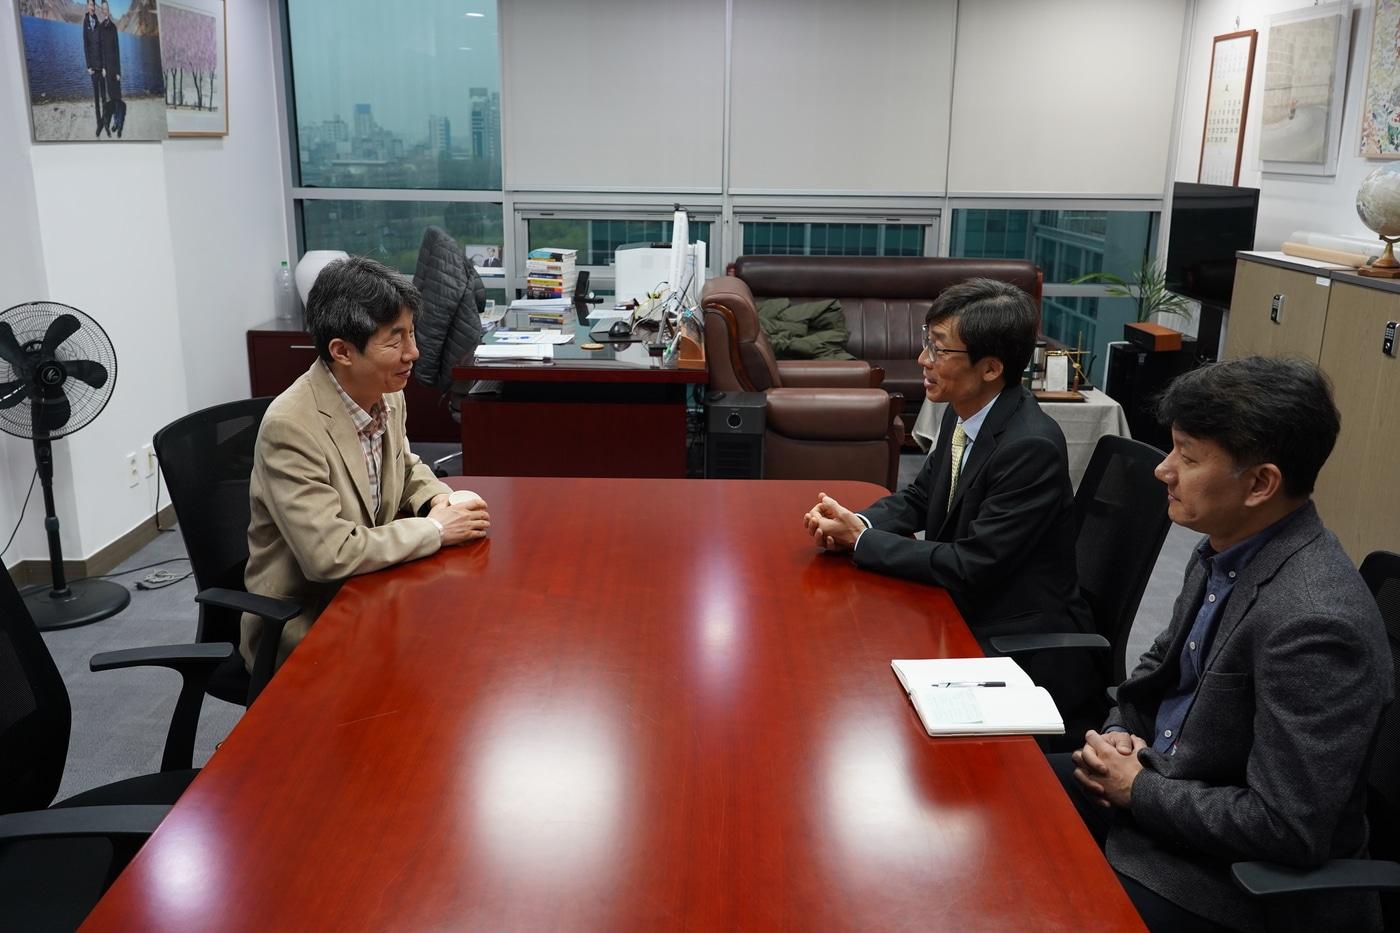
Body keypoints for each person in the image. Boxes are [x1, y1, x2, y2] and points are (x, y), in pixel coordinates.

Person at [1056, 357, 1392, 932]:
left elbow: (1287, 828)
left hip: (1231, 883)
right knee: (1006, 793)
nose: (1164, 471)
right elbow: (1156, 671)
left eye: (1187, 457)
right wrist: (1117, 733)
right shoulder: (1226, 548)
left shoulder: (1314, 621)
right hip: (1165, 798)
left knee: (1028, 899)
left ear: (1261, 483)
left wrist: (1139, 790)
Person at [801, 277, 1093, 709]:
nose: (923, 359)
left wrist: (862, 542)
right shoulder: (964, 415)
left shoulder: (1030, 446)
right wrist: (857, 522)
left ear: (991, 368)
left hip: (1010, 635)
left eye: (939, 349)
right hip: (960, 603)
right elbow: (921, 498)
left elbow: (973, 564)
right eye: (927, 343)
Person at [240, 256, 491, 672]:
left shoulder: (386, 390)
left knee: (468, 644)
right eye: (395, 341)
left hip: (374, 586)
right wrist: (435, 529)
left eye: (411, 334)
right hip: (310, 618)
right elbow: (329, 555)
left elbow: (405, 465)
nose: (414, 353)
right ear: (342, 351)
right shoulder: (291, 427)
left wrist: (437, 502)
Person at [96, 0, 122, 138]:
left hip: (114, 68)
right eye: (103, 8)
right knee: (108, 99)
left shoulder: (114, 27)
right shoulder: (100, 28)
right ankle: (107, 121)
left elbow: (117, 50)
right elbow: (100, 50)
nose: (105, 10)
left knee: (117, 97)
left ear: (109, 10)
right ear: (102, 10)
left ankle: (117, 123)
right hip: (106, 69)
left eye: (106, 8)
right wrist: (103, 68)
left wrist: (119, 72)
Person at [82, 0, 103, 137]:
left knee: (104, 97)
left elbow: (102, 45)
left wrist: (105, 66)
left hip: (101, 67)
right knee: (96, 98)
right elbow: (85, 46)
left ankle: (105, 120)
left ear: (95, 7)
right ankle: (99, 123)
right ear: (87, 6)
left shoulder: (98, 23)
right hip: (93, 69)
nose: (92, 7)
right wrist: (88, 66)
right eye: (90, 5)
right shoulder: (85, 23)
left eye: (93, 5)